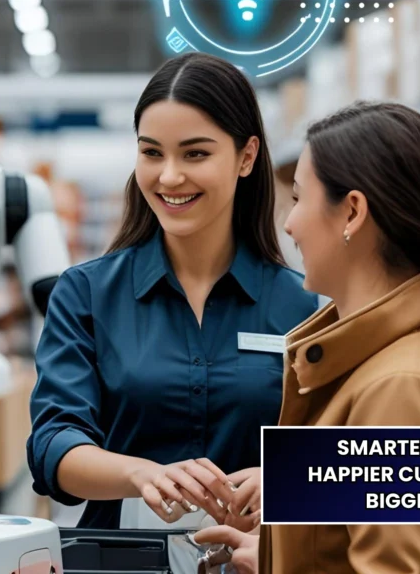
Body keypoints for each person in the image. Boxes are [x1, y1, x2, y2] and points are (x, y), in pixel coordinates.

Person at [195, 101, 420, 573]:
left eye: (298, 199)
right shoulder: (399, 361)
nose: (289, 224)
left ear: (352, 212)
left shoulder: (403, 390)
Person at [25, 51, 320, 530]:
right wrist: (142, 474)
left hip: (252, 558)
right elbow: (53, 445)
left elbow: (334, 450)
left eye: (195, 153)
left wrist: (286, 477)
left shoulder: (305, 305)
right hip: (119, 561)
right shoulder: (86, 294)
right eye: (152, 152)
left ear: (246, 157)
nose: (168, 177)